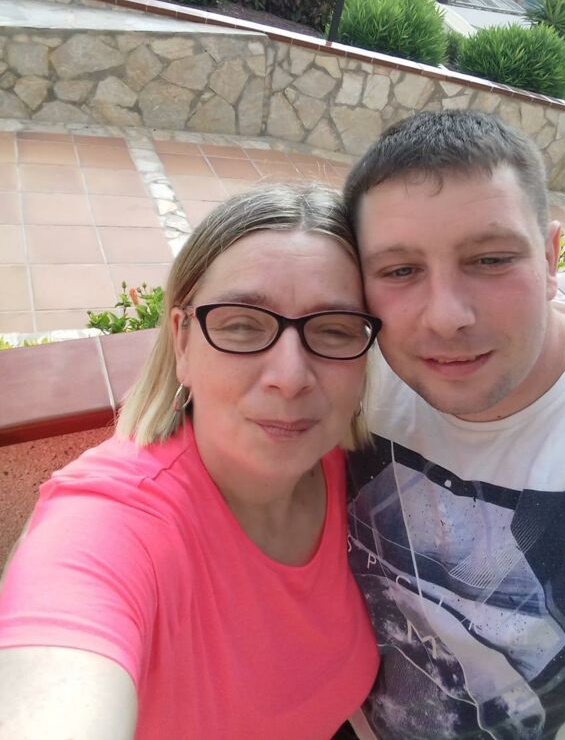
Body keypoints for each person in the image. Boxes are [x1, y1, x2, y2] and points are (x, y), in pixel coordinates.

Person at [0, 184, 382, 740]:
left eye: (334, 329)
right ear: (182, 342)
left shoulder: (355, 474)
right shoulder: (111, 522)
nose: (291, 376)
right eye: (243, 324)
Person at [343, 110, 565, 739]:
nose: (446, 316)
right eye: (400, 271)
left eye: (490, 259)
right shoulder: (348, 380)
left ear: (551, 258)